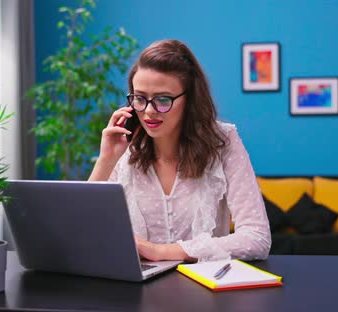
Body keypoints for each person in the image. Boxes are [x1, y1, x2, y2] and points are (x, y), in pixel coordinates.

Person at [89, 39, 271, 262]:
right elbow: (84, 232)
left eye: (162, 99)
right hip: (136, 289)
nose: (148, 111)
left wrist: (161, 252)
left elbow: (257, 237)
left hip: (205, 289)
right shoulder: (125, 148)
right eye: (140, 98)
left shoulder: (223, 142)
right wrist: (106, 159)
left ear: (190, 99)